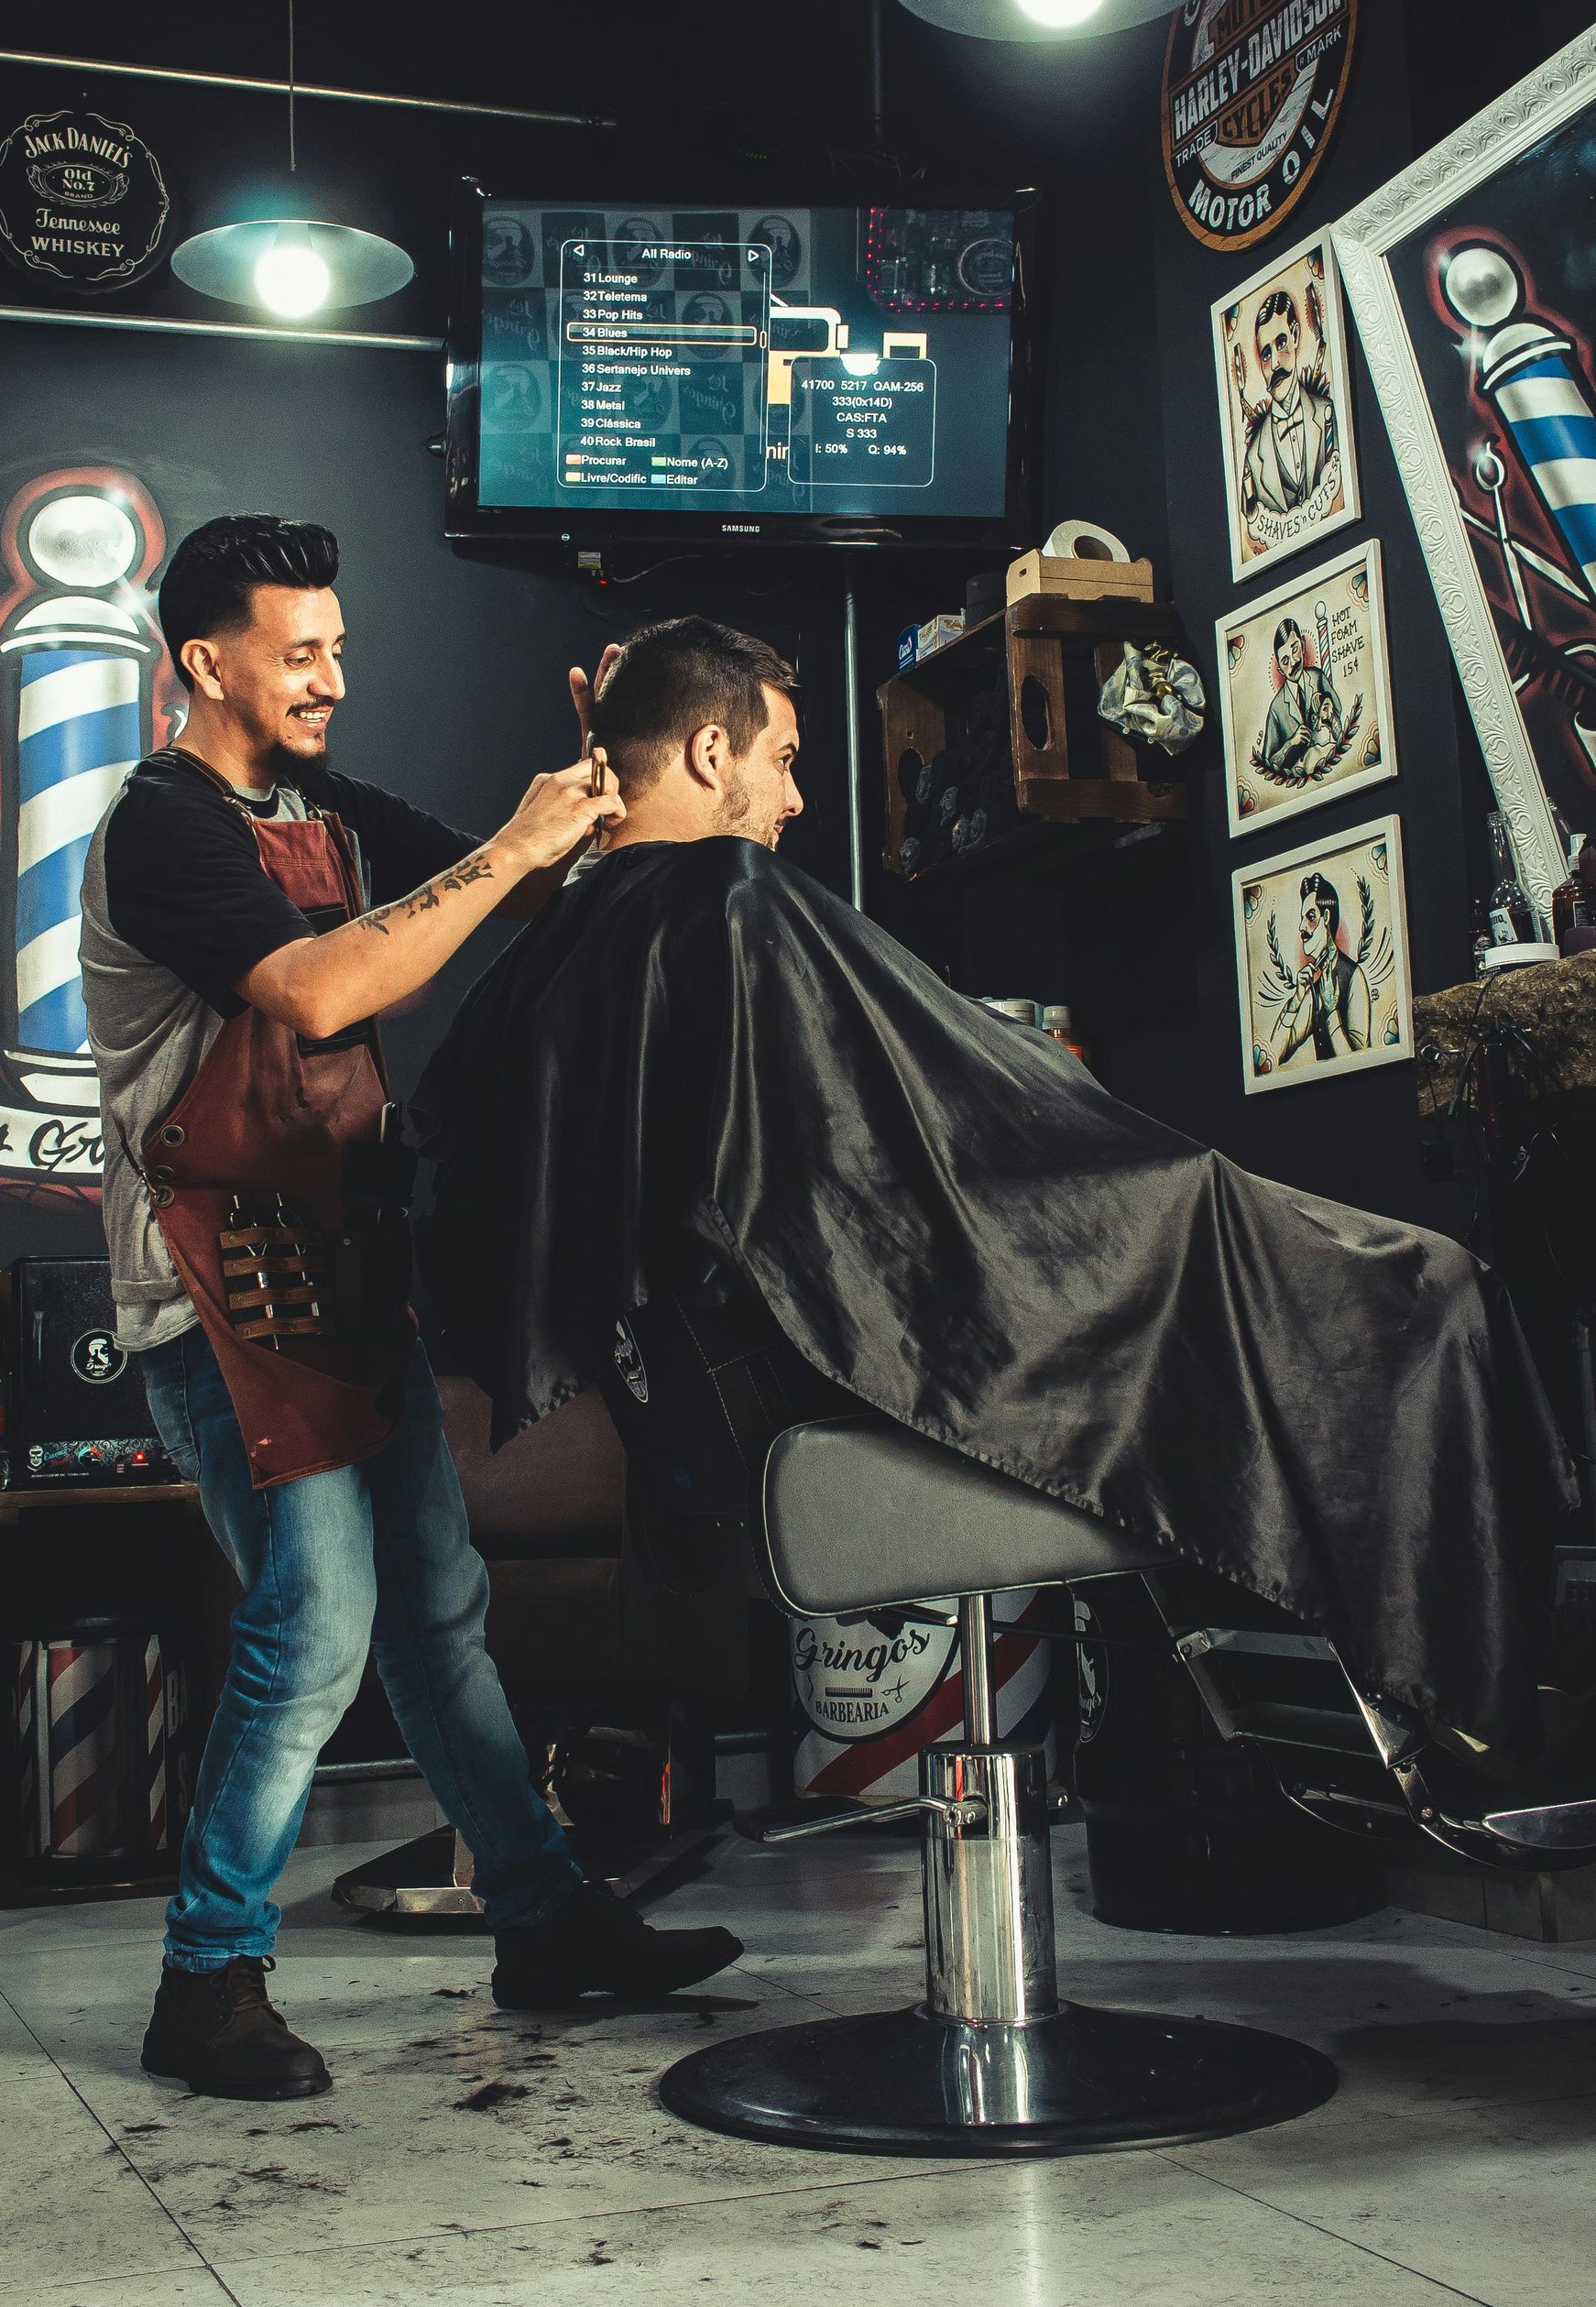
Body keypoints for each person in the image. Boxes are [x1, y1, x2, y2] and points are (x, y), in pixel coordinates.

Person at [415, 616, 1577, 1760]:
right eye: (784, 760)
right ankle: (1486, 1709)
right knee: (1426, 1292)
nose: (797, 799)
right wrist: (1141, 1169)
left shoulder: (548, 951)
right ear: (711, 754)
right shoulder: (727, 898)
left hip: (714, 1428)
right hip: (838, 1398)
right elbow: (943, 1172)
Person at [78, 520, 741, 2104]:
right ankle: (207, 1977)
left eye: (338, 641)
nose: (333, 674)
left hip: (348, 1264)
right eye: (301, 649)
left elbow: (507, 887)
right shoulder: (161, 828)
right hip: (213, 1285)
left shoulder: (318, 803)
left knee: (440, 1610)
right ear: (207, 661)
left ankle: (546, 1915)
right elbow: (311, 990)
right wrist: (512, 852)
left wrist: (591, 784)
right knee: (316, 1627)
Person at [1241, 287, 1335, 518]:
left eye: (1281, 343)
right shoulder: (1253, 457)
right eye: (1265, 354)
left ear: (1294, 335)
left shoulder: (1327, 415)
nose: (1274, 364)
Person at [1273, 869, 1372, 1064]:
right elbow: (1276, 1055)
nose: (1302, 927)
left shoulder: (1354, 977)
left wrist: (1332, 1011)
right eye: (1302, 918)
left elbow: (1361, 1061)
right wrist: (1296, 1000)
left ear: (1326, 917)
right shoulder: (1314, 984)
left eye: (1310, 917)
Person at [1258, 616, 1343, 780]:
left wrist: (1328, 709)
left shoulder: (1317, 677)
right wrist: (1291, 743)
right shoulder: (1277, 708)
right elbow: (1267, 765)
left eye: (1295, 649)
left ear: (1303, 646)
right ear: (1280, 670)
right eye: (1285, 660)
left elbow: (1339, 723)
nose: (1294, 662)